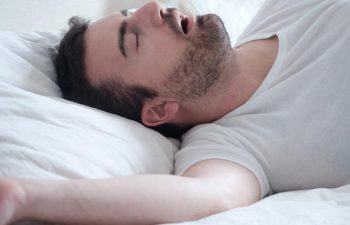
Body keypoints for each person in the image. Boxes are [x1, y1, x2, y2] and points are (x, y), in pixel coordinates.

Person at [1, 0, 350, 224]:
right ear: (157, 109)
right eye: (135, 38)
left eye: (130, 13)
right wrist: (23, 196)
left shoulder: (288, 7)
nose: (154, 8)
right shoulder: (232, 147)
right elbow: (203, 196)